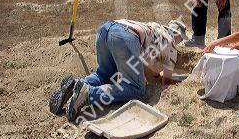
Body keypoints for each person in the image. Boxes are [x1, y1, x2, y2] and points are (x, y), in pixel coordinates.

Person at [49, 19, 188, 122]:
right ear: (178, 36)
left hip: (106, 29)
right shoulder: (171, 46)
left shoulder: (155, 27)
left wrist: (154, 72)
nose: (180, 43)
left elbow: (146, 59)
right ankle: (88, 94)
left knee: (103, 75)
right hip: (125, 37)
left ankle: (76, 84)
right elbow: (167, 81)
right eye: (181, 39)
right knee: (137, 89)